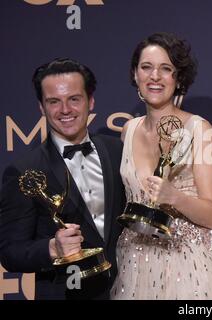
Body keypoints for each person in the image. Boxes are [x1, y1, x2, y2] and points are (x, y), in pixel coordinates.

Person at [110, 32, 212, 300]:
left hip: (186, 265)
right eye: (146, 67)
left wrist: (174, 197)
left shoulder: (199, 129)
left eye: (166, 69)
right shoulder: (128, 130)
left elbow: (211, 215)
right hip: (133, 263)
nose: (155, 76)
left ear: (178, 77)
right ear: (135, 75)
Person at [0, 58, 125, 299]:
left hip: (125, 290)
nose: (65, 110)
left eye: (74, 99)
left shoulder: (116, 151)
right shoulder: (25, 170)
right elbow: (9, 251)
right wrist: (52, 248)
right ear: (41, 107)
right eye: (54, 101)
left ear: (90, 101)